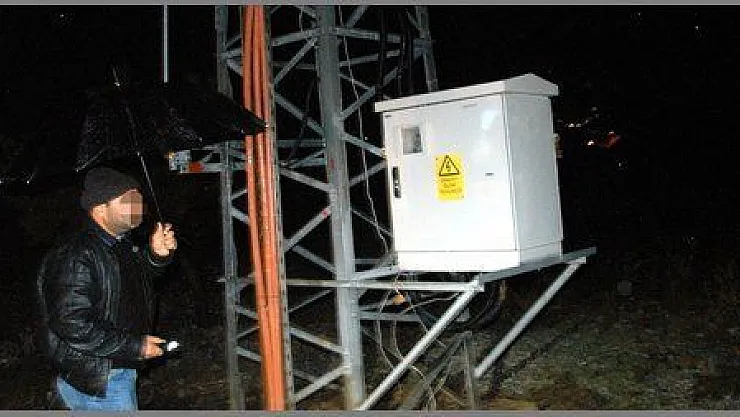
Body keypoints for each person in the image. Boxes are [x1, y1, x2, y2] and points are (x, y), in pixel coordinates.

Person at [36, 167, 178, 411]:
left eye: (137, 198)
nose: (137, 205)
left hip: (114, 370)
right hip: (100, 380)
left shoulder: (118, 244)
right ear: (100, 209)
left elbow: (136, 285)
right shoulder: (77, 254)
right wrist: (135, 346)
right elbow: (71, 322)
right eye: (127, 200)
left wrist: (157, 256)